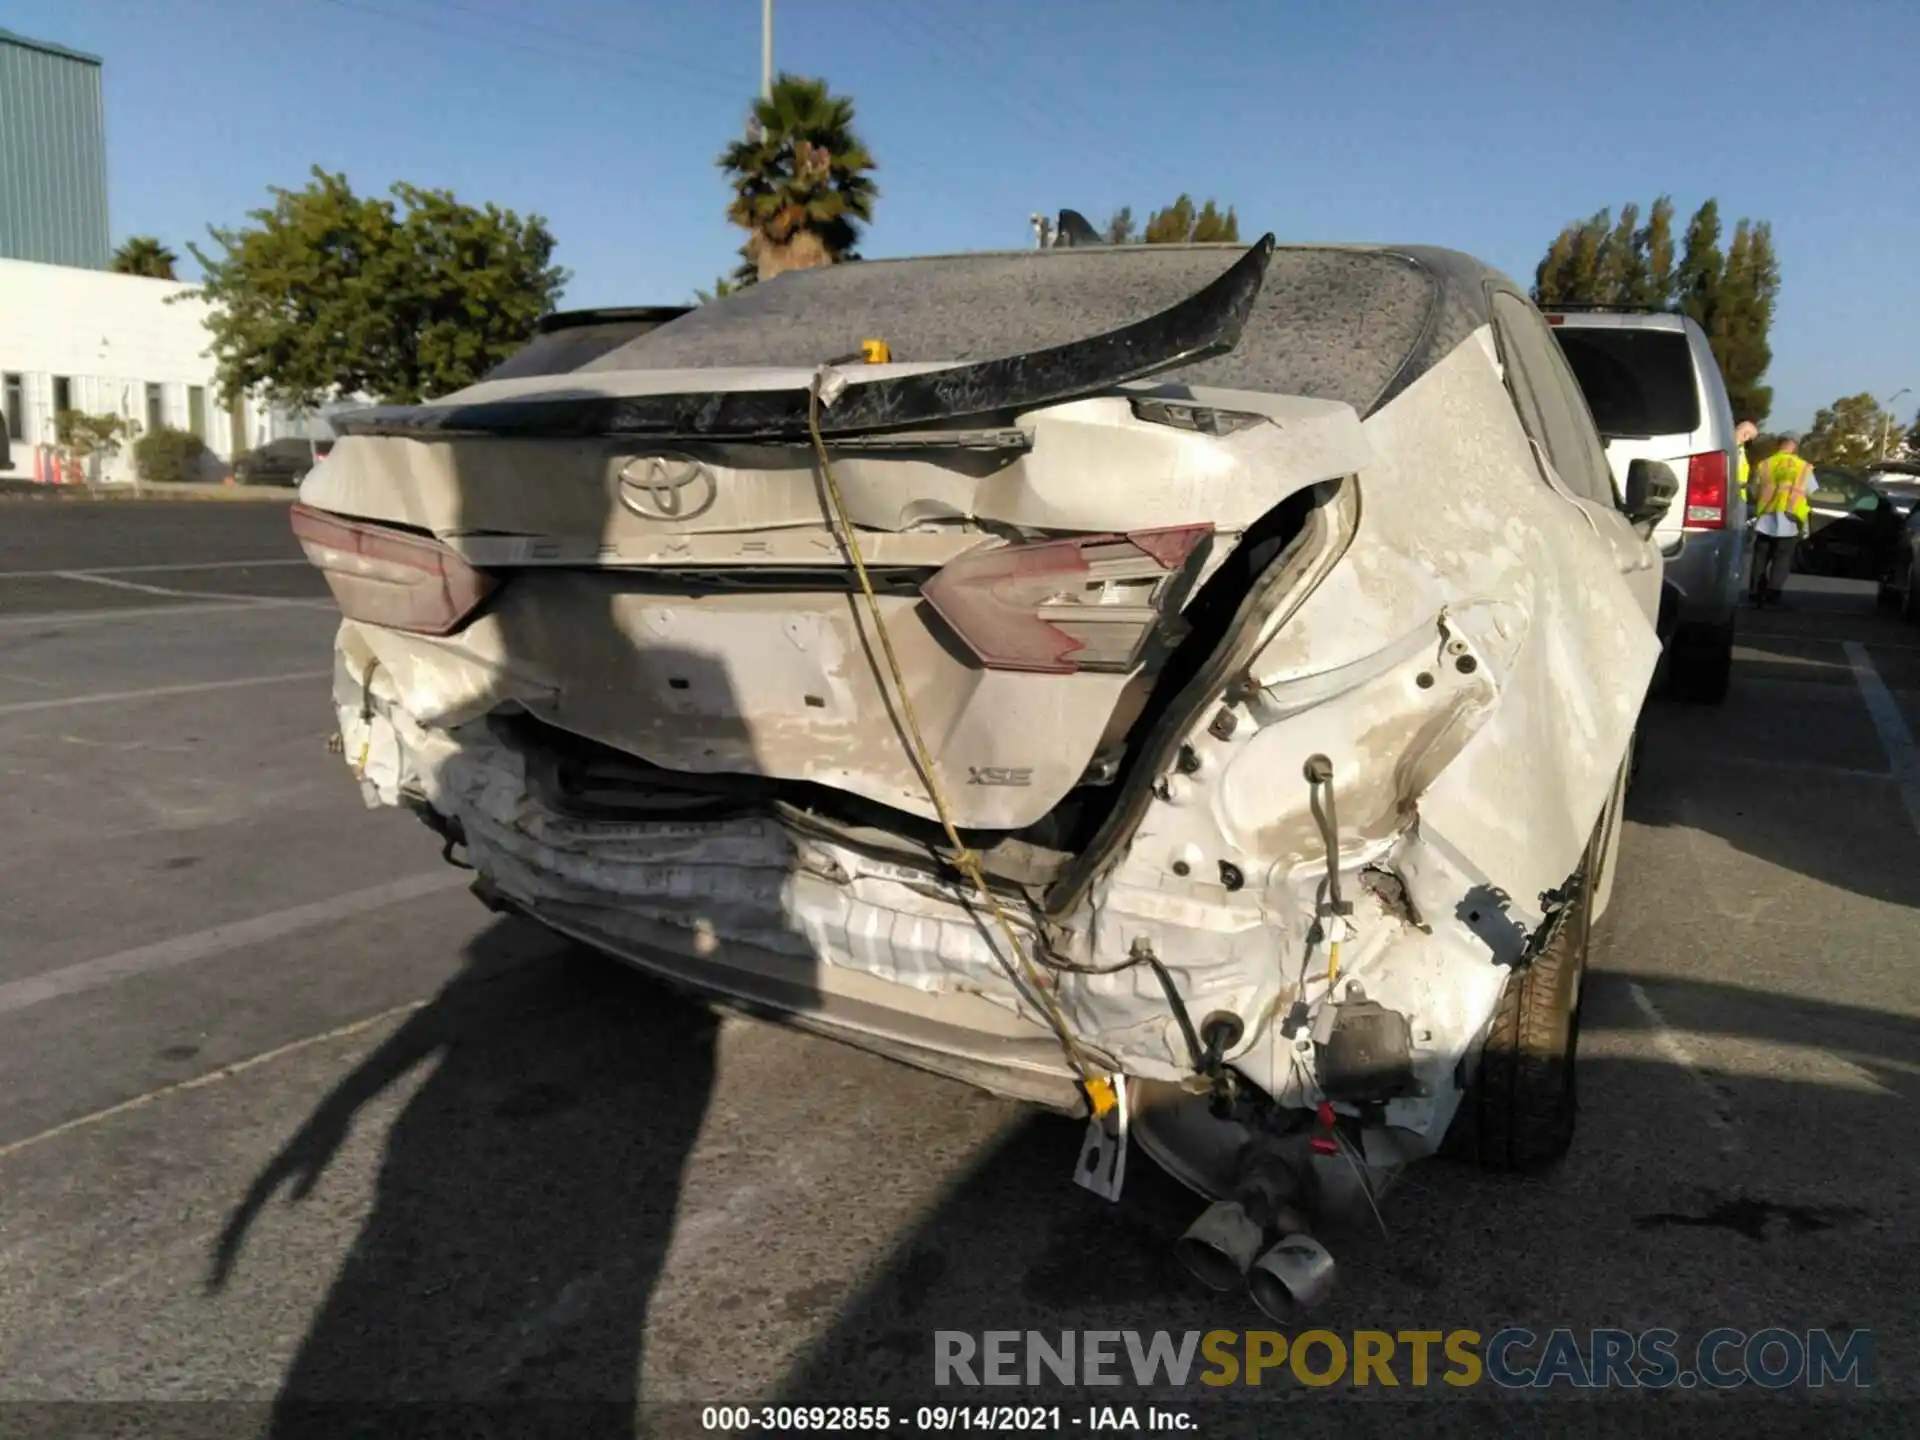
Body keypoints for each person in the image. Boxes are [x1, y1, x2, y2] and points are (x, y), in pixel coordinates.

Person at [1749, 435, 1813, 607]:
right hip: (1790, 519)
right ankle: (1773, 592)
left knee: (1760, 556)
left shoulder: (1765, 464)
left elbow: (1754, 490)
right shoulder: (1804, 467)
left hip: (1766, 518)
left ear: (1778, 447)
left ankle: (1755, 591)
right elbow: (1810, 491)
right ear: (1794, 447)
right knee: (1782, 558)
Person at [1734, 417, 1758, 505]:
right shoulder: (1734, 449)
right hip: (1735, 495)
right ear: (1746, 435)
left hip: (1737, 495)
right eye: (1750, 438)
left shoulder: (1740, 449)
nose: (1748, 440)